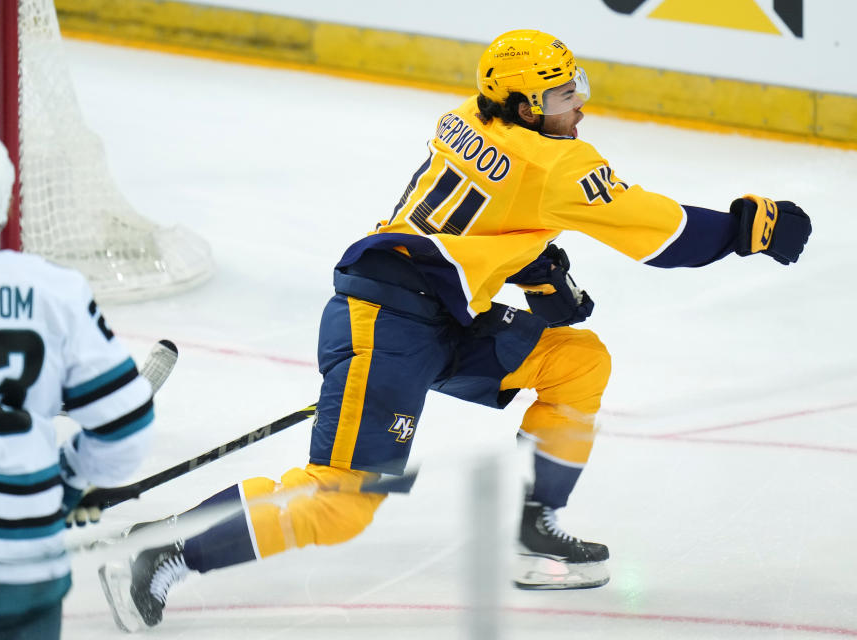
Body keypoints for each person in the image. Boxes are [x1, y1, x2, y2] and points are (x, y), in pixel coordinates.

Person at [99, 29, 811, 630]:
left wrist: (535, 270)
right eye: (566, 95)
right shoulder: (556, 161)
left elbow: (480, 216)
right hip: (389, 322)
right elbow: (665, 236)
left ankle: (540, 528)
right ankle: (166, 550)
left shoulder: (469, 116)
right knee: (341, 502)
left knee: (576, 362)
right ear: (529, 103)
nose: (581, 107)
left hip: (433, 311)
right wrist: (750, 226)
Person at [0, 131, 156, 639]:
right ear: (6, 204)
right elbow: (126, 426)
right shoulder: (57, 290)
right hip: (32, 558)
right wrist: (68, 478)